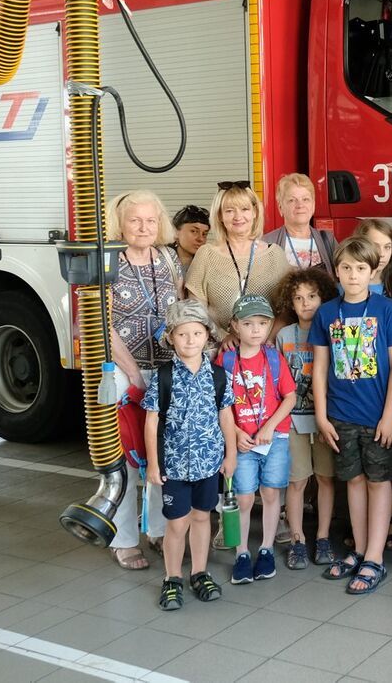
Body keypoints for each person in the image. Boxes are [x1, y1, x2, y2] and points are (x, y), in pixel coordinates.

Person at [310, 236, 392, 595]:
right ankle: (361, 549)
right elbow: (319, 368)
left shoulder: (387, 310)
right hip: (340, 415)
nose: (353, 275)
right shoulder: (326, 313)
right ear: (336, 271)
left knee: (378, 483)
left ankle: (376, 557)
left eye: (360, 268)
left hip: (377, 416)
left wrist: (390, 416)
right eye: (346, 268)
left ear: (373, 271)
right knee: (352, 480)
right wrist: (322, 416)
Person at [142, 299, 236, 611]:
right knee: (177, 524)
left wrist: (230, 455)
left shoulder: (219, 376)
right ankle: (172, 578)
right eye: (183, 334)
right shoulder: (163, 376)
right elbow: (152, 420)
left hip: (209, 464)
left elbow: (226, 418)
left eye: (197, 333)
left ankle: (199, 571)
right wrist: (154, 464)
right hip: (174, 467)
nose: (190, 340)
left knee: (202, 517)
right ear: (170, 337)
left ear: (207, 336)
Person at [105, 190, 183, 572]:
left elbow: (180, 308)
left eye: (150, 220)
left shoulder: (168, 259)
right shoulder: (108, 262)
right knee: (126, 456)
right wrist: (133, 373)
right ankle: (123, 539)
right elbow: (99, 325)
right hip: (124, 371)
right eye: (135, 220)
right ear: (120, 224)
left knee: (161, 456)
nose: (143, 227)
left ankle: (156, 529)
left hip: (167, 369)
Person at [219, 294, 297, 585]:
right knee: (243, 496)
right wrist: (236, 433)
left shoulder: (274, 358)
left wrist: (270, 427)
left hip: (273, 438)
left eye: (262, 324)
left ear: (269, 327)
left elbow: (289, 397)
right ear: (235, 326)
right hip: (241, 441)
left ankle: (265, 548)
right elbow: (221, 403)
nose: (255, 330)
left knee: (271, 492)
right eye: (248, 323)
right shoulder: (226, 360)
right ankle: (241, 552)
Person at [274, 268, 340, 568]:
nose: (306, 303)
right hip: (294, 421)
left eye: (312, 296)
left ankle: (323, 536)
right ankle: (298, 538)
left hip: (325, 419)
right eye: (298, 298)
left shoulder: (332, 331)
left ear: (323, 296)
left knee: (326, 479)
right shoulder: (284, 336)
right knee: (297, 481)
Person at [185, 181, 290, 336]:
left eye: (244, 209)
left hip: (267, 351)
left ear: (255, 212)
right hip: (221, 351)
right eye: (229, 211)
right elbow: (197, 311)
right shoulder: (206, 254)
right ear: (220, 215)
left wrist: (268, 342)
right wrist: (223, 338)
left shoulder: (275, 254)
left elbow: (287, 310)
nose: (238, 216)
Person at [264, 173, 339, 278]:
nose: (300, 205)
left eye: (305, 199)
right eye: (292, 200)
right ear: (280, 208)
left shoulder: (327, 240)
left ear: (313, 205)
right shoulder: (267, 244)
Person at [172, 205, 210, 275]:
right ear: (176, 232)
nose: (200, 239)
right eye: (194, 231)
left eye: (204, 234)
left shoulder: (208, 265)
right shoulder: (161, 261)